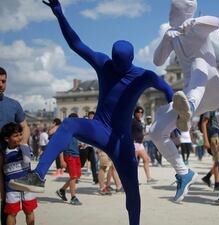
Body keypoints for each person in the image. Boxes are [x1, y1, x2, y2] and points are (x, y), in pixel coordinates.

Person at [9, 1, 173, 224]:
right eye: (116, 63)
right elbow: (76, 44)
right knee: (69, 124)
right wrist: (59, 15)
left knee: (132, 190)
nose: (117, 68)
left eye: (120, 65)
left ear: (127, 61)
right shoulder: (137, 73)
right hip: (109, 134)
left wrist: (175, 103)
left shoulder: (122, 68)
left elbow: (77, 44)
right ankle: (38, 175)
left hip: (118, 139)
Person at [150, 0, 219, 202]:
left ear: (183, 12)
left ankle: (189, 107)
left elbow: (217, 22)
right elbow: (157, 61)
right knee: (156, 130)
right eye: (170, 11)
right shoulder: (173, 36)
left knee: (199, 64)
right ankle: (184, 173)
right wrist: (165, 40)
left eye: (174, 11)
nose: (170, 15)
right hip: (189, 93)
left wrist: (195, 23)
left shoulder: (197, 27)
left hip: (212, 87)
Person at [0, 67, 31, 225]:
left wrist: (22, 144)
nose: (1, 84)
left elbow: (25, 126)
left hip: (10, 159)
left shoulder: (13, 105)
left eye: (3, 81)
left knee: (7, 202)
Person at [0, 123, 36, 225]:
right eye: (15, 136)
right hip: (11, 188)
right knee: (12, 213)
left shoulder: (24, 148)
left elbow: (27, 160)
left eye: (20, 134)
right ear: (7, 139)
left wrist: (24, 146)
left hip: (27, 185)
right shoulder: (4, 153)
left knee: (29, 211)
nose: (20, 137)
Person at [132, 106, 156, 184]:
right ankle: (134, 179)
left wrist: (144, 135)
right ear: (135, 113)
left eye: (141, 112)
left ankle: (148, 178)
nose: (140, 114)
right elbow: (128, 132)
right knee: (134, 163)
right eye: (138, 112)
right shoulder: (133, 121)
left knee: (146, 159)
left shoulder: (139, 121)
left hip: (139, 143)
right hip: (134, 143)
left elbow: (140, 133)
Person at [200, 110, 219, 191]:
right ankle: (217, 184)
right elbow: (203, 123)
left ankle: (208, 176)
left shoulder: (217, 108)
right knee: (218, 161)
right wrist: (206, 140)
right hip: (214, 136)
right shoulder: (210, 108)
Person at [78, 111, 99, 184]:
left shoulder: (95, 125)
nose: (92, 117)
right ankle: (76, 177)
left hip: (91, 147)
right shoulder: (85, 124)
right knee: (82, 164)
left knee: (93, 163)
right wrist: (81, 143)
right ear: (88, 116)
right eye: (91, 116)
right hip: (84, 147)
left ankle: (95, 179)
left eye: (93, 116)